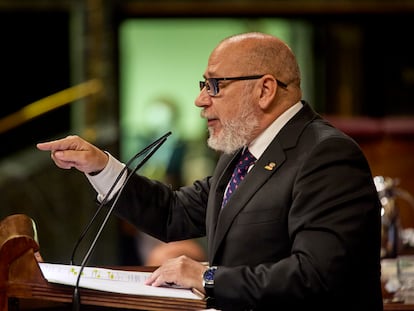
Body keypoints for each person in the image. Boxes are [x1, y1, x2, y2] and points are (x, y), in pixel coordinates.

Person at [37, 32, 383, 310]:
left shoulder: (326, 155)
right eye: (202, 85)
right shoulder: (240, 153)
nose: (201, 100)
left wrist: (208, 277)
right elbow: (173, 213)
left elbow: (316, 276)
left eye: (215, 85)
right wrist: (101, 166)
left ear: (264, 89)